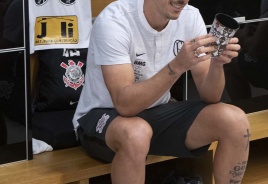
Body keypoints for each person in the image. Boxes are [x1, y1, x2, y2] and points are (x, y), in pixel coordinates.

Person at [73, 0, 250, 183]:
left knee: (235, 121)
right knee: (136, 133)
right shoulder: (114, 20)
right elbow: (124, 105)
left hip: (155, 112)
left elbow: (210, 95)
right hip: (103, 114)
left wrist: (217, 64)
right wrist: (177, 66)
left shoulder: (190, 16)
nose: (183, 1)